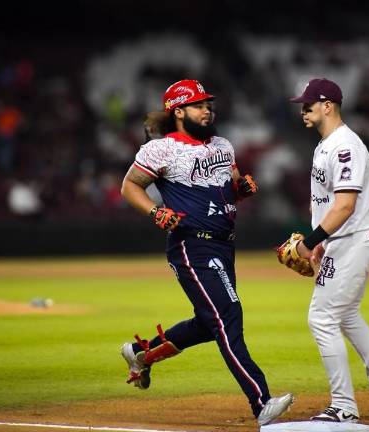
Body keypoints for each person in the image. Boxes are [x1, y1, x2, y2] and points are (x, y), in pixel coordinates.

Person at [119, 79, 293, 426]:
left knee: (207, 322)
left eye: (208, 104)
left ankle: (140, 353)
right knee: (229, 316)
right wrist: (155, 211)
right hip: (191, 245)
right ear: (179, 111)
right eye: (198, 105)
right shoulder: (161, 149)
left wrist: (241, 189)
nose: (207, 109)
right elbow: (129, 186)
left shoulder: (224, 145)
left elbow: (231, 184)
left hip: (224, 244)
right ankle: (261, 404)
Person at [287, 78, 369, 422]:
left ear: (328, 105)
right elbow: (329, 205)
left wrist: (309, 241)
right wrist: (321, 240)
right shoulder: (326, 144)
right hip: (342, 240)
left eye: (308, 105)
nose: (302, 111)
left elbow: (345, 205)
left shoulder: (344, 146)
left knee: (321, 318)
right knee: (347, 315)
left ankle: (344, 406)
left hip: (353, 238)